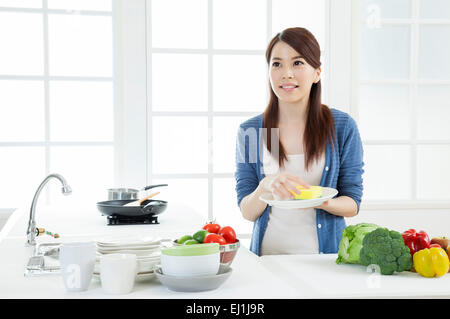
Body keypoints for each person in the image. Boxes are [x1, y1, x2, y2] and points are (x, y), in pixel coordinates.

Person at [234, 27, 364, 256]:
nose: (287, 74)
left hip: (326, 260)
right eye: (277, 64)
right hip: (268, 262)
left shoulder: (341, 126)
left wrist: (323, 201)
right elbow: (247, 211)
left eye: (297, 63)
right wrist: (265, 186)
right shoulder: (254, 131)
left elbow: (352, 202)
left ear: (317, 73)